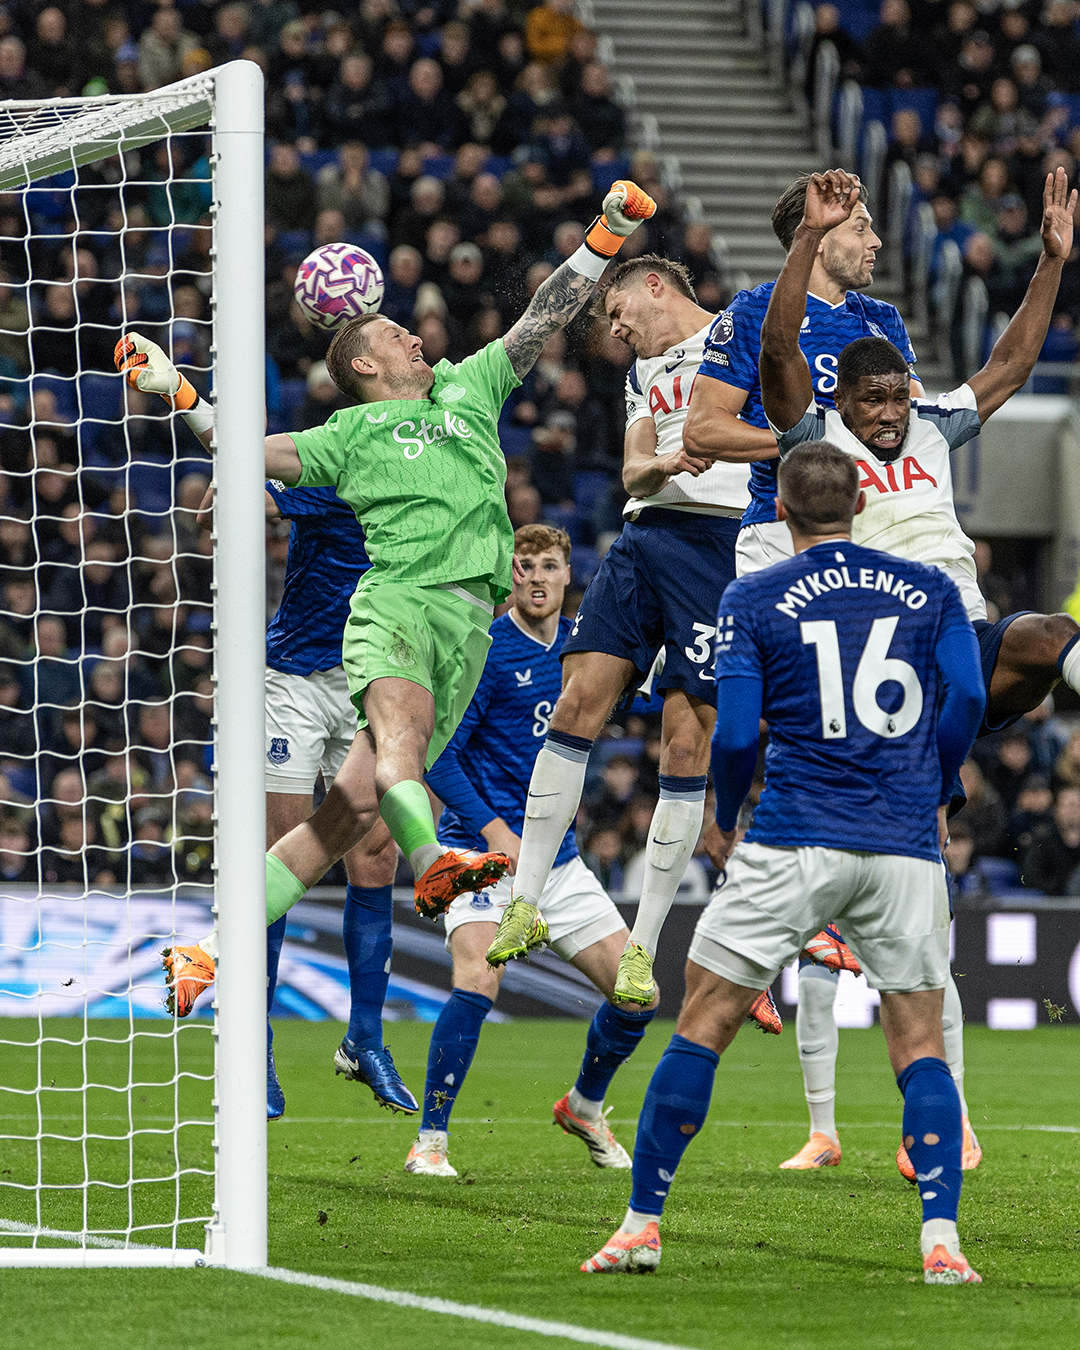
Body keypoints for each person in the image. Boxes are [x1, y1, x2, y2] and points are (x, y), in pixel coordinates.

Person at [117, 180, 659, 1002]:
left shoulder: (468, 391)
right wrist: (179, 393)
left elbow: (544, 313)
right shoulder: (345, 434)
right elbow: (242, 449)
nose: (417, 336)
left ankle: (208, 951)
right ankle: (436, 865)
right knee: (400, 749)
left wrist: (607, 234)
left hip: (469, 628)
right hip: (399, 606)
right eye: (398, 334)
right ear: (364, 363)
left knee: (343, 818)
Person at [582, 441, 986, 1284]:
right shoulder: (933, 590)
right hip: (903, 843)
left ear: (784, 512)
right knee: (919, 1045)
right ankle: (940, 1240)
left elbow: (732, 732)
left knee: (703, 1024)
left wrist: (726, 818)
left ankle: (640, 1227)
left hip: (795, 832)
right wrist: (935, 783)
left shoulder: (755, 594)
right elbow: (971, 697)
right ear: (862, 505)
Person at [758, 167, 1080, 1174]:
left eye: (901, 390)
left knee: (1047, 640)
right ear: (844, 399)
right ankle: (940, 1111)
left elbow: (1013, 366)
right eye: (878, 396)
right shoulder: (815, 441)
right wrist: (805, 244)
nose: (893, 407)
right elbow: (776, 356)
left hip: (958, 648)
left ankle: (931, 793)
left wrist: (1053, 264)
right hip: (875, 671)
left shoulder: (936, 424)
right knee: (920, 913)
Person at [480, 255, 754, 1010]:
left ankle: (644, 946)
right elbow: (633, 472)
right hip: (642, 538)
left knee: (685, 742)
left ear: (655, 286)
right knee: (576, 705)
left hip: (720, 546)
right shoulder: (641, 374)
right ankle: (526, 901)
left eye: (617, 311)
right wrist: (663, 462)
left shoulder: (742, 335)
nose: (614, 327)